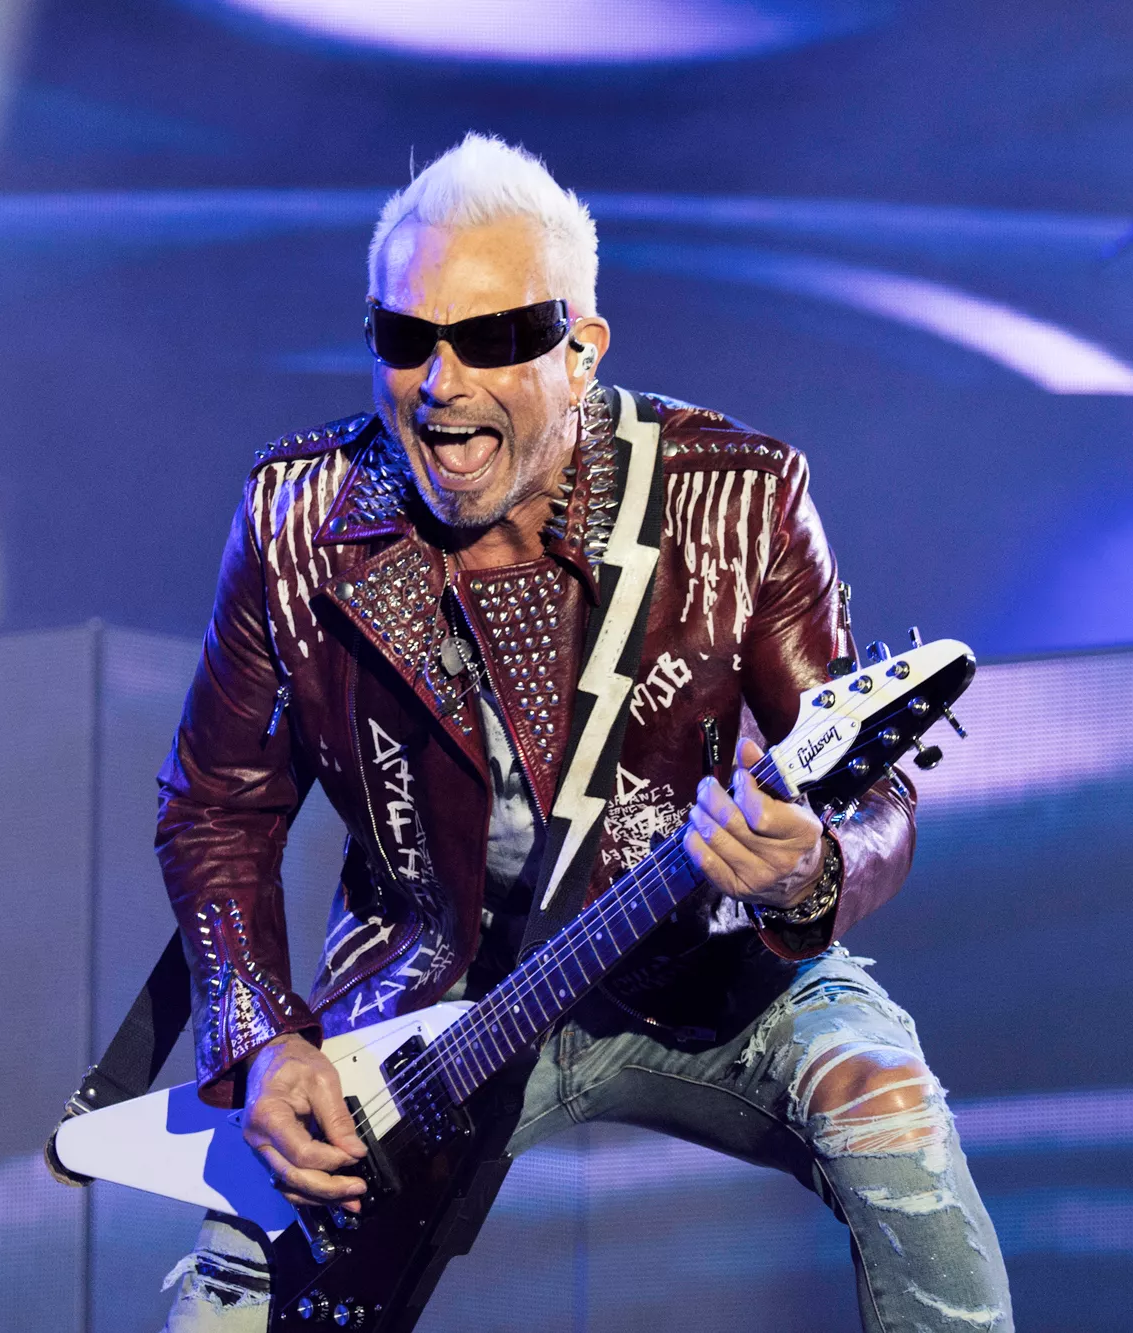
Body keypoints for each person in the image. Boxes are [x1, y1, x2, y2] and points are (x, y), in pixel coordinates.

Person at [153, 132, 1011, 1330]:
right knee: (244, 1285)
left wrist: (805, 868)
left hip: (702, 964)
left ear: (581, 350)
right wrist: (260, 1042)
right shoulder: (293, 517)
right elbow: (216, 804)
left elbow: (869, 801)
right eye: (406, 336)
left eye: (496, 336)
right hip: (420, 991)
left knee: (887, 1103)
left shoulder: (737, 498)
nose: (441, 382)